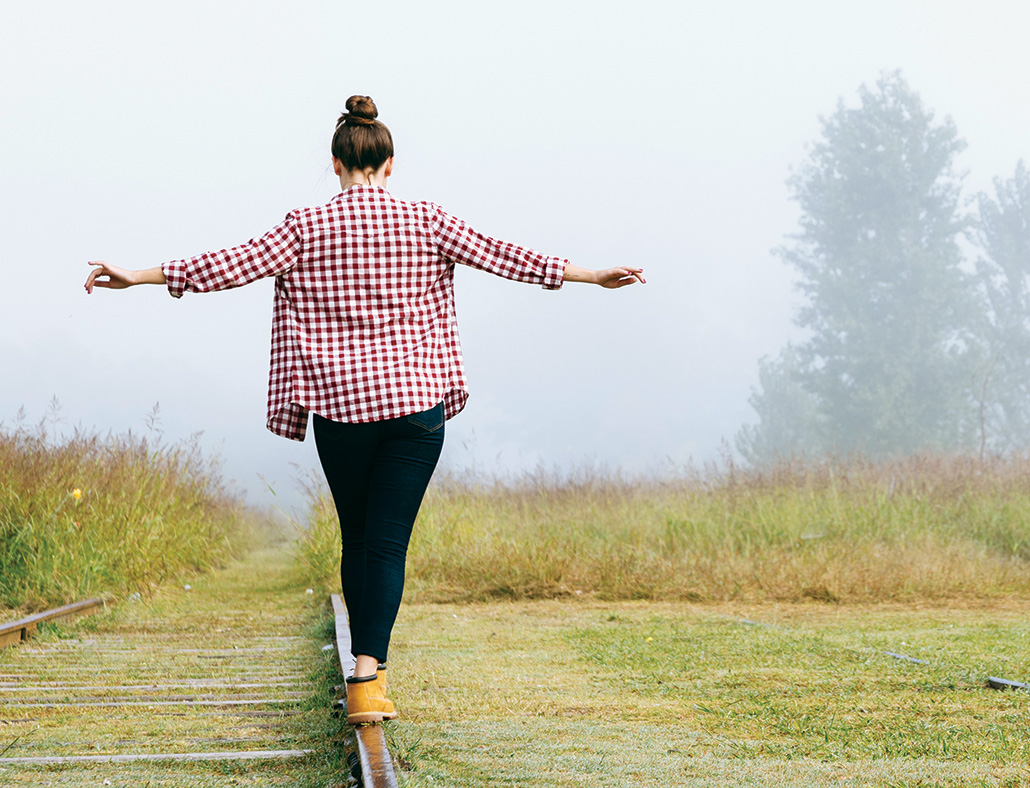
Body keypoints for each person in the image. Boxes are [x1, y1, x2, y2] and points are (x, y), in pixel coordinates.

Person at [83, 94, 645, 724]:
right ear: (390, 164)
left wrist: (138, 275)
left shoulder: (303, 227)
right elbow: (507, 256)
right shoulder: (426, 219)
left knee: (358, 538)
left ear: (334, 164)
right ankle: (367, 677)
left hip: (340, 411)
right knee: (387, 545)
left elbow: (225, 266)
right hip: (415, 409)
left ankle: (365, 673)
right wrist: (591, 275)